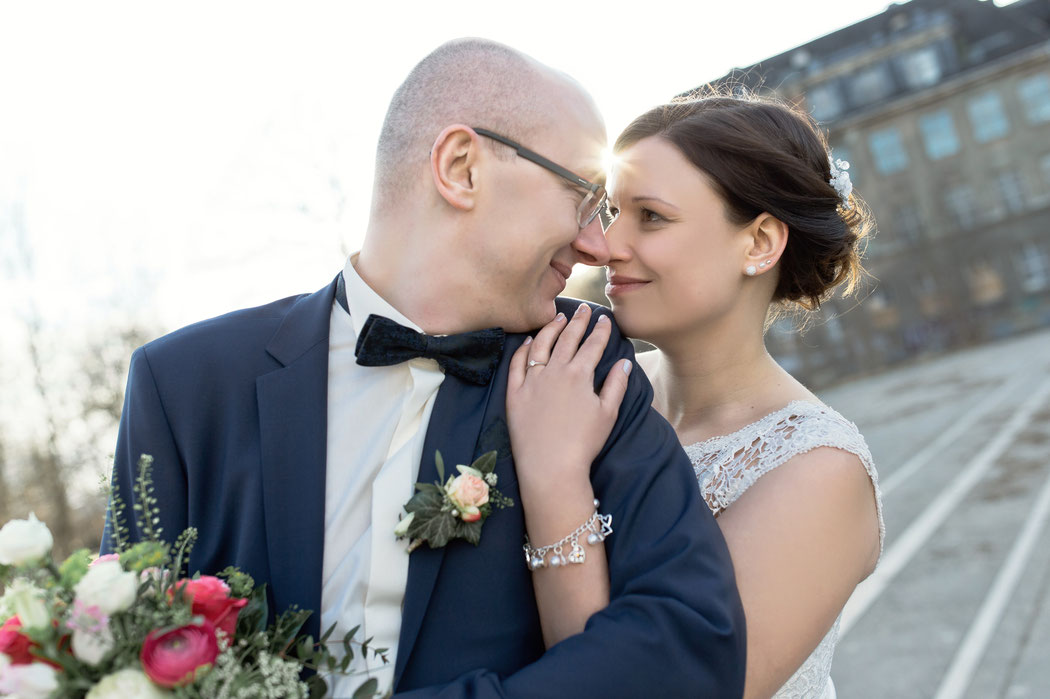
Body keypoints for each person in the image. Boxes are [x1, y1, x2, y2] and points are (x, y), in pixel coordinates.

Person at [102, 40, 746, 697]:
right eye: (583, 197)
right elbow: (116, 655)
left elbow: (693, 641)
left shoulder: (580, 361)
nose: (598, 243)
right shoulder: (184, 385)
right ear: (461, 168)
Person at [507, 94, 884, 699]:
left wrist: (554, 476)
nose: (604, 245)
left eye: (651, 217)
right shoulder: (576, 384)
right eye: (609, 212)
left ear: (759, 243)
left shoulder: (818, 470)